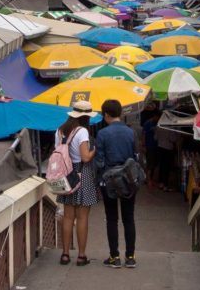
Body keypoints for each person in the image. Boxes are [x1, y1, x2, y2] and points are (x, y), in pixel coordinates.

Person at [94, 99, 138, 268]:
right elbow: (136, 155)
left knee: (111, 218)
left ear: (106, 114)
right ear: (120, 113)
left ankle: (114, 257)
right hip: (128, 179)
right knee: (129, 218)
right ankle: (131, 257)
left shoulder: (102, 134)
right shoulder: (131, 132)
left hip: (110, 180)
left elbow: (99, 161)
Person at [55, 100, 97, 266]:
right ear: (86, 116)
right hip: (82, 174)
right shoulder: (82, 132)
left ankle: (65, 254)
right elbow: (85, 157)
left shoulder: (59, 131)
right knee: (82, 217)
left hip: (65, 175)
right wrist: (94, 150)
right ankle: (81, 255)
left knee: (68, 216)